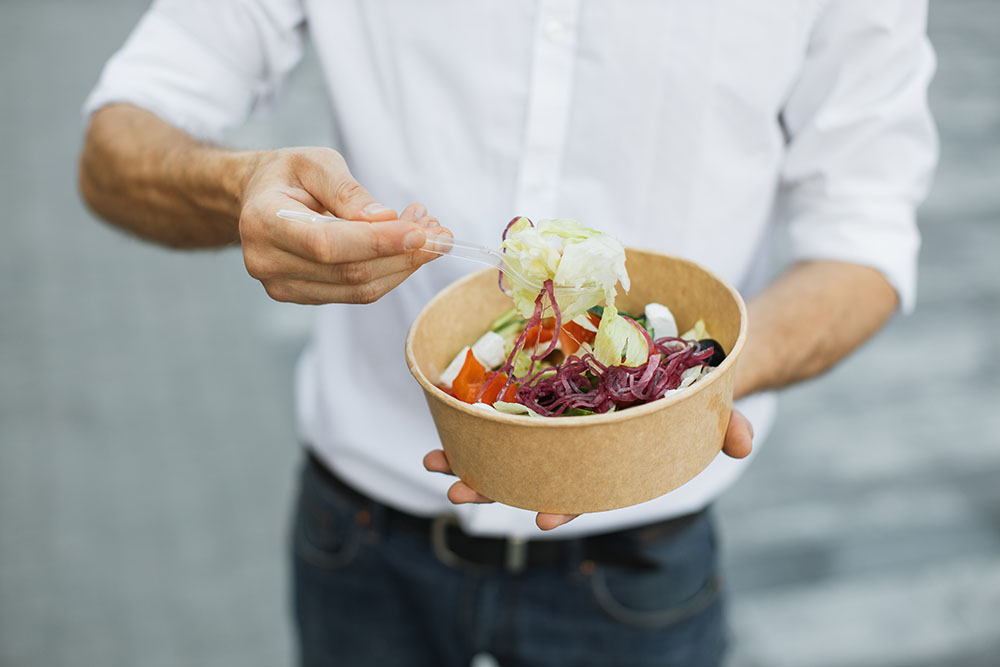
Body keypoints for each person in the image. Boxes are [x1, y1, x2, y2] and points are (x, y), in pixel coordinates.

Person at [78, 1, 936, 665]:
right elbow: (117, 142)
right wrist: (242, 190)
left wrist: (698, 387)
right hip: (364, 541)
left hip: (641, 566)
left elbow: (863, 240)